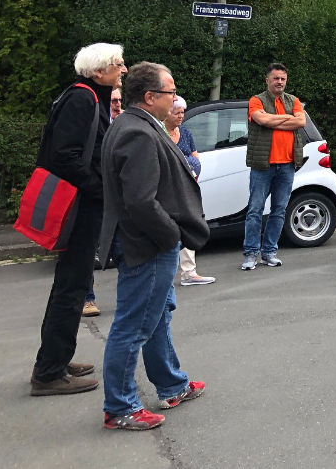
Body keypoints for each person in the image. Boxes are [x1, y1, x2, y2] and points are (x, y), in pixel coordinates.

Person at [96, 62, 210, 430]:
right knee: (133, 326)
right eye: (170, 92)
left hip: (147, 243)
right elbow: (141, 201)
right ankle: (120, 407)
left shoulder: (134, 125)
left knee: (157, 316)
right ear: (150, 97)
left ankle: (171, 385)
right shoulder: (138, 133)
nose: (175, 98)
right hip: (147, 246)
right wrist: (171, 236)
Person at [29, 43, 125, 396]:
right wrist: (100, 188)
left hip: (83, 204)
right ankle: (48, 373)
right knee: (72, 287)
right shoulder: (82, 99)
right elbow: (65, 156)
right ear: (98, 71)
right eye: (117, 64)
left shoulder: (86, 97)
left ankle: (55, 358)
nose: (123, 69)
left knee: (72, 285)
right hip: (79, 207)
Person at [242, 63, 305, 271]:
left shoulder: (293, 100)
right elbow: (260, 119)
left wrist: (273, 121)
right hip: (263, 165)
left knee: (279, 210)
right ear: (267, 80)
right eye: (276, 78)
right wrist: (288, 118)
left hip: (287, 165)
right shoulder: (256, 100)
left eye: (283, 79)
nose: (279, 82)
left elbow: (301, 122)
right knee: (255, 210)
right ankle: (250, 253)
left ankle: (269, 252)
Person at [164, 96, 215, 286]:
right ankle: (165, 275)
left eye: (182, 112)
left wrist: (190, 169)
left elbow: (195, 158)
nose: (180, 116)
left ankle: (189, 272)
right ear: (166, 113)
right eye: (176, 112)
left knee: (188, 225)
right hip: (168, 190)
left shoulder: (185, 133)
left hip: (188, 188)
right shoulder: (160, 133)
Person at [85, 87, 124, 317]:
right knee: (89, 249)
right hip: (98, 195)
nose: (117, 104)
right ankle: (87, 298)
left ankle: (126, 299)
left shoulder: (126, 122)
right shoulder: (96, 124)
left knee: (122, 249)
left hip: (118, 199)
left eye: (120, 100)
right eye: (113, 101)